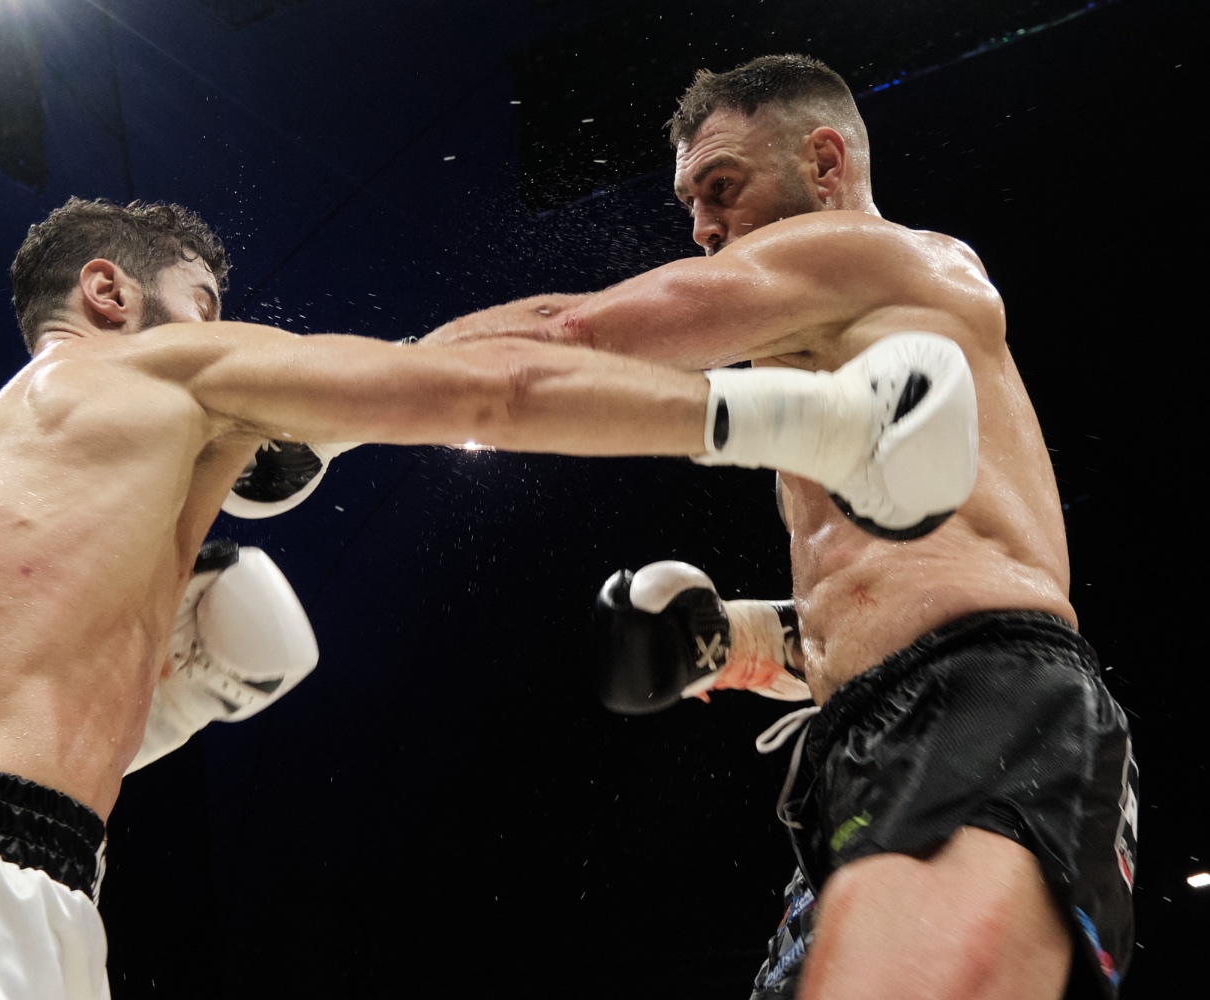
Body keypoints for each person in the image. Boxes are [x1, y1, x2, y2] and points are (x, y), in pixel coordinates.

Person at [0, 196, 961, 999]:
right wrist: (820, 421)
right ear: (112, 295)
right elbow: (490, 395)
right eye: (206, 306)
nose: (227, 340)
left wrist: (161, 710)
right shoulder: (164, 372)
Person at [425, 55, 1135, 1000]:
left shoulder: (873, 256)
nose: (704, 230)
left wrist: (326, 407)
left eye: (723, 189)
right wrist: (734, 642)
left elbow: (572, 336)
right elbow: (902, 597)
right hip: (894, 731)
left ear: (827, 164)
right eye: (690, 206)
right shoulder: (838, 367)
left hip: (982, 708)